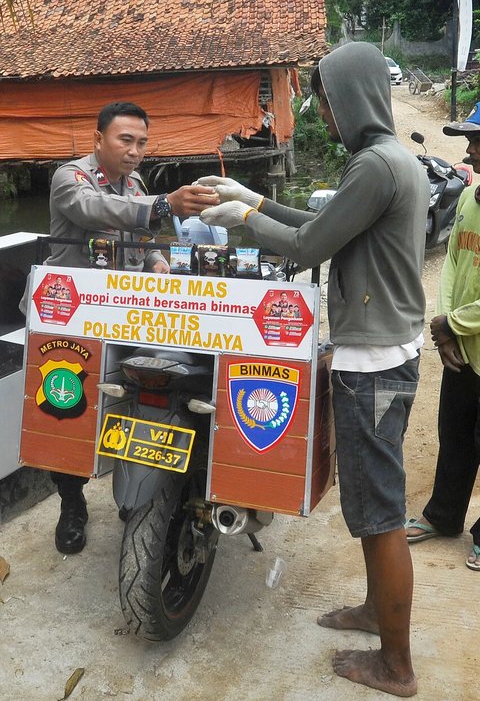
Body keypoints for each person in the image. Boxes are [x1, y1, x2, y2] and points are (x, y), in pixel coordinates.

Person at [197, 42, 429, 697]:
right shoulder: (388, 162)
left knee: (380, 514)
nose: (322, 109)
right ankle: (373, 611)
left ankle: (397, 664)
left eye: (325, 96)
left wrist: (242, 215)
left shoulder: (374, 167)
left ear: (350, 95)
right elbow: (323, 227)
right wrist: (254, 200)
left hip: (372, 364)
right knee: (369, 507)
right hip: (387, 354)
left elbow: (307, 246)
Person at [30, 100, 218, 555]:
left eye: (142, 143)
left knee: (138, 393)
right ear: (99, 140)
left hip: (124, 312)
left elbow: (140, 242)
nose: (135, 151)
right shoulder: (70, 178)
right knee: (67, 408)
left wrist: (156, 263)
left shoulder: (133, 182)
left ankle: (145, 485)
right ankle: (72, 503)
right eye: (125, 140)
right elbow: (98, 211)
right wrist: (164, 204)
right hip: (71, 314)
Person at [405, 102, 480, 572]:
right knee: (454, 436)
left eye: (477, 139)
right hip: (465, 352)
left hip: (467, 336)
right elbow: (453, 261)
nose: (469, 150)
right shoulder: (472, 200)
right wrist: (444, 322)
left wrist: (455, 323)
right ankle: (444, 517)